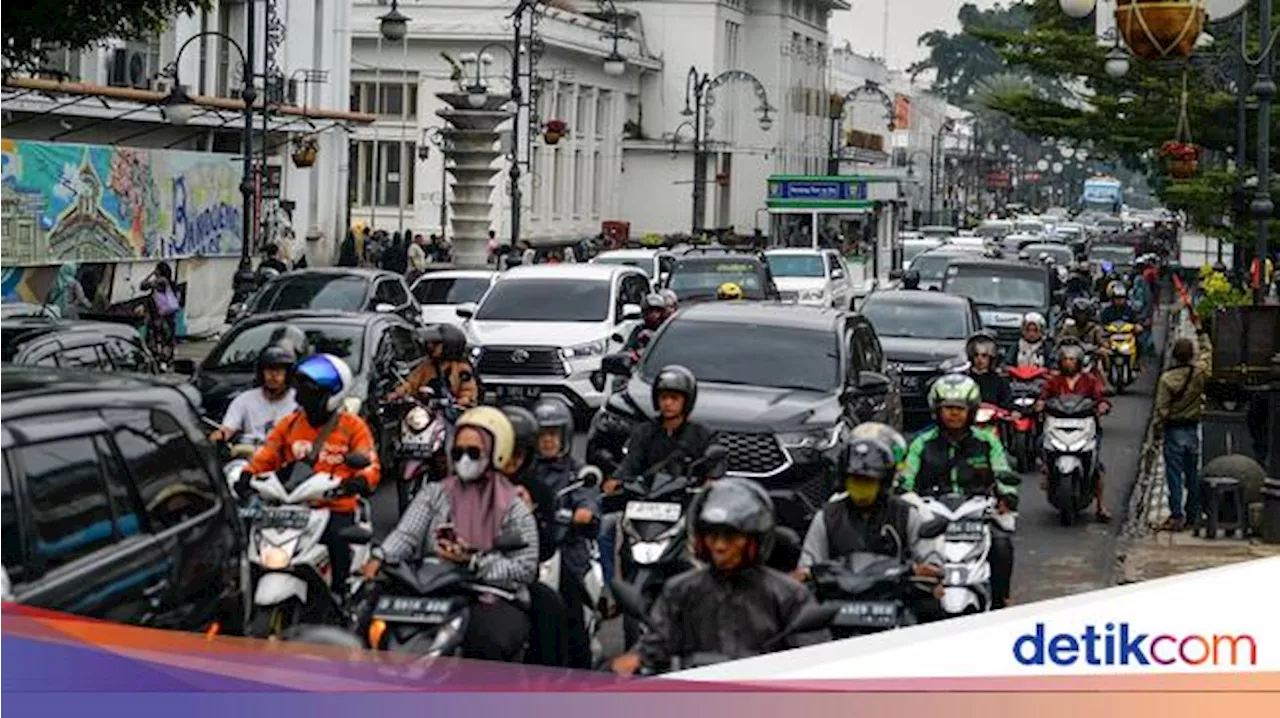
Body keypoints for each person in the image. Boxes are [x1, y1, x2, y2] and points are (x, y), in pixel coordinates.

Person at [364, 406, 537, 662]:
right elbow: (407, 535)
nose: (465, 459)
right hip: (427, 587)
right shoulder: (434, 494)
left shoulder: (514, 506)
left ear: (496, 452)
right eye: (458, 452)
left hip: (485, 592)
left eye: (474, 452)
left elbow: (524, 567)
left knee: (487, 641)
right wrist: (379, 558)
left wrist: (474, 562)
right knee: (366, 624)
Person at [610, 478, 829, 675]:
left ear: (754, 539)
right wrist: (633, 662)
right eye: (713, 536)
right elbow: (655, 645)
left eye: (731, 536)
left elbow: (815, 662)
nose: (720, 546)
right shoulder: (681, 591)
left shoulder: (787, 595)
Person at [243, 354, 381, 591]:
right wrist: (247, 474)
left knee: (337, 540)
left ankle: (341, 595)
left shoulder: (352, 426)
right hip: (290, 507)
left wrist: (358, 481)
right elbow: (267, 454)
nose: (303, 397)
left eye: (311, 392)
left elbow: (370, 463)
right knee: (248, 538)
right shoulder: (289, 424)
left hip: (334, 507)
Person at [898, 374, 1017, 609]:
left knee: (1002, 546)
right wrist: (902, 495)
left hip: (977, 515)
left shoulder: (987, 442)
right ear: (937, 410)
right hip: (930, 517)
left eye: (960, 408)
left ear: (971, 411)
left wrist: (1008, 494)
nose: (954, 413)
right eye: (948, 408)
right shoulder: (921, 443)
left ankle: (1001, 601)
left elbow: (1002, 469)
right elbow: (906, 477)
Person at [795, 438, 944, 620]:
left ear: (883, 481)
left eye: (868, 480)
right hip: (837, 605)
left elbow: (928, 555)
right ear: (844, 480)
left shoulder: (906, 514)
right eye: (855, 479)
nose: (861, 486)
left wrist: (929, 569)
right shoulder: (827, 516)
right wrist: (802, 575)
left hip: (895, 602)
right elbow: (808, 563)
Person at [531, 399, 600, 669]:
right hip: (532, 549)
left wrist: (584, 511)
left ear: (565, 436)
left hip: (567, 548)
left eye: (553, 434)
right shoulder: (526, 470)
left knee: (572, 593)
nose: (548, 440)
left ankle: (580, 652)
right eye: (542, 434)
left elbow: (589, 501)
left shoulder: (577, 472)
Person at [1037, 342, 1112, 522]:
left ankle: (1101, 506)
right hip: (1057, 424)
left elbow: (1100, 397)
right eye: (1065, 359)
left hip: (1085, 425)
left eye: (1072, 359)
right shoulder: (1053, 381)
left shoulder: (1089, 380)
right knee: (1042, 445)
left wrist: (1102, 405)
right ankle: (1047, 469)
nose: (1068, 363)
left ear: (1078, 361)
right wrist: (1040, 404)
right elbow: (1043, 396)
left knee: (1097, 467)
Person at [1153, 323, 1213, 532]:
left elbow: (1161, 410)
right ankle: (1193, 513)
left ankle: (1177, 515)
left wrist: (1157, 431)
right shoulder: (1199, 374)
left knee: (1174, 476)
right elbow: (1208, 354)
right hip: (1192, 429)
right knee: (1192, 474)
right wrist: (1201, 333)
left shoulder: (1167, 379)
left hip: (1174, 430)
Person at [209, 345, 299, 445]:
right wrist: (219, 436)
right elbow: (228, 428)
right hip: (252, 455)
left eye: (279, 370)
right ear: (261, 373)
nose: (273, 375)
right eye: (269, 369)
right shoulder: (244, 399)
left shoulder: (299, 400)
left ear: (288, 374)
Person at [384, 323, 478, 407]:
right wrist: (398, 393)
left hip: (452, 412)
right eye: (429, 343)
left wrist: (463, 400)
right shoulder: (426, 366)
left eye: (435, 344)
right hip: (427, 411)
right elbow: (411, 384)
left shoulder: (461, 368)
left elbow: (468, 389)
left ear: (450, 345)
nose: (430, 346)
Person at [140, 261, 179, 366]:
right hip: (169, 316)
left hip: (160, 317)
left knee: (159, 338)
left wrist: (151, 274)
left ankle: (161, 361)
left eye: (156, 269)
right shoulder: (171, 283)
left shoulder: (160, 282)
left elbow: (142, 285)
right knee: (168, 339)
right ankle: (167, 360)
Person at [966, 333, 1012, 409]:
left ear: (991, 357)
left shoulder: (1000, 381)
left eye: (984, 355)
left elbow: (1006, 404)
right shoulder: (966, 380)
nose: (979, 359)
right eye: (976, 355)